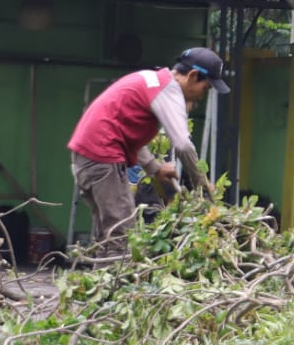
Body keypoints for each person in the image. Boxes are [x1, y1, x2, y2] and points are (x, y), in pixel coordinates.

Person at [67, 46, 230, 255]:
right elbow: (182, 144)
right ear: (193, 75)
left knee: (109, 233)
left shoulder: (151, 80)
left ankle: (104, 282)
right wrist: (202, 184)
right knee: (122, 232)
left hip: (91, 156)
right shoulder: (168, 90)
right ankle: (116, 286)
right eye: (205, 88)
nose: (202, 95)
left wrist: (154, 167)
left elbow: (125, 130)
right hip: (103, 156)